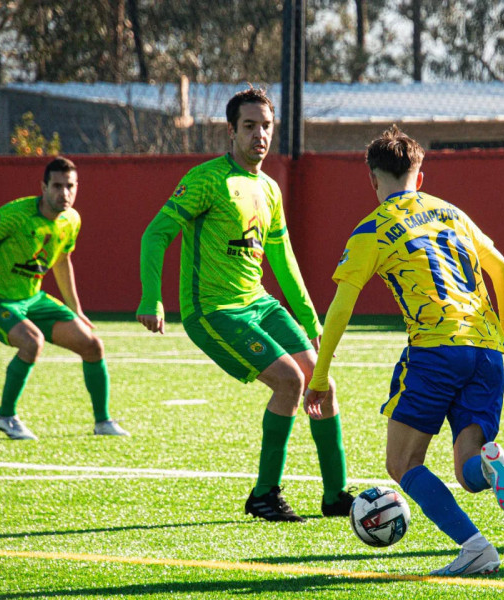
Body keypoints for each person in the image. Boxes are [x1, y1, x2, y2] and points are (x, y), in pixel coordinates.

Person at [304, 125, 504, 575]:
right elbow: (500, 266)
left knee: (402, 463)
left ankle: (475, 546)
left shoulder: (370, 230)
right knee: (468, 470)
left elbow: (340, 309)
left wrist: (319, 375)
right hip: (486, 350)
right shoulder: (451, 212)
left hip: (434, 350)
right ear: (419, 176)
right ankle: (490, 468)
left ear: (372, 180)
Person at [136, 86, 353, 522]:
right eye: (250, 126)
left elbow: (283, 259)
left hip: (260, 304)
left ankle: (336, 496)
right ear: (231, 130)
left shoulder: (269, 189)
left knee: (321, 381)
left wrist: (310, 318)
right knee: (290, 381)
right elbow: (155, 234)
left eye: (266, 126)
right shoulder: (206, 180)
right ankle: (264, 496)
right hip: (213, 312)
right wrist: (151, 297)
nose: (260, 135)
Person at [0, 157, 129, 440]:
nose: (64, 193)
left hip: (32, 298)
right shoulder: (14, 215)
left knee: (92, 345)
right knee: (32, 342)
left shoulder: (71, 220)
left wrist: (76, 309)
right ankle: (5, 416)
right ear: (43, 187)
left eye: (70, 186)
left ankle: (103, 422)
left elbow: (63, 261)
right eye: (57, 186)